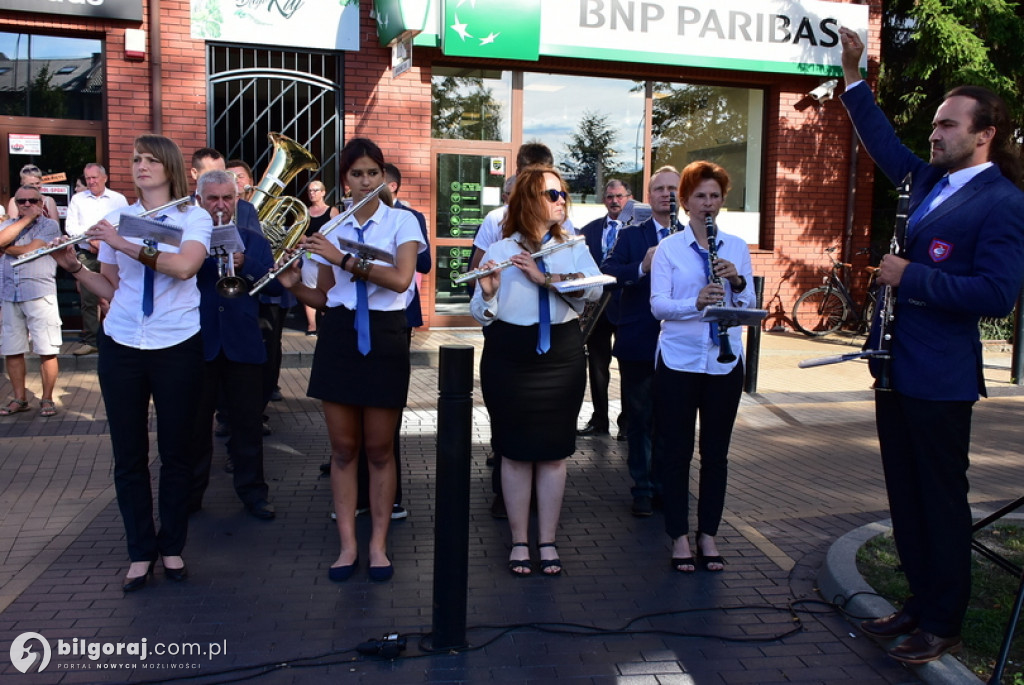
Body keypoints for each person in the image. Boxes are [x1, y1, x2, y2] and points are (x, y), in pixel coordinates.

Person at [838, 28, 1024, 664]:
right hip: (895, 368)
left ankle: (944, 621)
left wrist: (909, 275)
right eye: (936, 124)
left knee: (940, 502)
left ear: (984, 134)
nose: (935, 134)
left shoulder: (1003, 202)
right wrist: (853, 73)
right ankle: (918, 604)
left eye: (948, 126)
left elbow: (996, 294)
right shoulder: (925, 180)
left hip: (941, 376)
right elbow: (881, 140)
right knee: (905, 495)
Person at [50, 134, 213, 592]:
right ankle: (140, 552)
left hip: (176, 343)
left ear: (169, 166)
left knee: (176, 452)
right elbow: (111, 289)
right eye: (136, 158)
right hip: (122, 341)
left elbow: (184, 267)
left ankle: (173, 546)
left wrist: (121, 244)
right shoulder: (117, 217)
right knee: (128, 455)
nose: (140, 165)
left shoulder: (193, 215)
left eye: (150, 159)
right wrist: (74, 267)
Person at [277, 137, 424, 582]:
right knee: (343, 450)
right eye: (356, 174)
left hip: (384, 335)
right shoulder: (335, 224)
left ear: (384, 178)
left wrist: (341, 257)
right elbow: (322, 296)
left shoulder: (403, 223)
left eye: (372, 173)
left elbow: (400, 280)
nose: (365, 181)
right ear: (345, 180)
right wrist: (289, 282)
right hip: (339, 333)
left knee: (380, 449)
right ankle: (348, 546)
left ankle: (378, 546)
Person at [471, 164, 601, 577]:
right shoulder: (500, 251)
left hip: (560, 353)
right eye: (553, 194)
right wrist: (488, 293)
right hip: (509, 354)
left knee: (553, 454)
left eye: (563, 193)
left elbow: (595, 287)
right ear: (530, 199)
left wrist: (546, 278)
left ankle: (546, 540)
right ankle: (519, 542)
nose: (562, 200)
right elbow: (482, 314)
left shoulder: (573, 245)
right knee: (513, 453)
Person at [650, 161, 755, 574]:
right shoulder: (669, 250)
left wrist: (739, 284)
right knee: (675, 452)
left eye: (714, 197)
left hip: (724, 363)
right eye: (700, 197)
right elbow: (657, 305)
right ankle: (677, 536)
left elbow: (747, 310)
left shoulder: (737, 247)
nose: (707, 204)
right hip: (678, 360)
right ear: (686, 202)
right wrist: (694, 302)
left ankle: (707, 534)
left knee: (716, 455)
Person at [188, 169, 278, 520]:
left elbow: (275, 289)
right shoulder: (189, 239)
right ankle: (192, 495)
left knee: (247, 426)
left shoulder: (252, 239)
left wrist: (247, 265)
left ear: (237, 201)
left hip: (243, 343)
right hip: (200, 341)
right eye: (213, 199)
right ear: (200, 201)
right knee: (195, 428)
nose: (221, 206)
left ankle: (253, 494)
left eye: (228, 198)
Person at [603, 168, 682, 517]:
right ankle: (642, 489)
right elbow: (608, 273)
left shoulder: (692, 235)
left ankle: (666, 484)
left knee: (671, 418)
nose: (668, 195)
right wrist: (641, 266)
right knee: (640, 417)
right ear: (649, 198)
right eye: (660, 189)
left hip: (680, 343)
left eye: (674, 189)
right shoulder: (632, 235)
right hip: (639, 339)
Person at [0, 185, 62, 418]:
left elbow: (30, 250)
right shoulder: (7, 224)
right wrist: (25, 221)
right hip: (9, 293)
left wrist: (6, 248)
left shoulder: (50, 225)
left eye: (32, 200)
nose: (26, 204)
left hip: (39, 293)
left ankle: (47, 399)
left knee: (46, 349)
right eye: (21, 201)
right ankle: (19, 398)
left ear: (41, 203)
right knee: (12, 349)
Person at [578, 179, 631, 438]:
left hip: (627, 306)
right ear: (604, 199)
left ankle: (627, 422)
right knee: (597, 366)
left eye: (619, 196)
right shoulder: (588, 230)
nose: (614, 201)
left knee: (628, 366)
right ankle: (600, 421)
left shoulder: (637, 230)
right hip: (597, 307)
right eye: (610, 196)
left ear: (628, 198)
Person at [64, 163, 129, 356]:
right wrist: (92, 240)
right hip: (88, 254)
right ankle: (92, 341)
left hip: (114, 255)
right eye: (88, 178)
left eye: (94, 177)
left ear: (104, 178)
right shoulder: (78, 199)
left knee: (118, 295)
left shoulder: (118, 200)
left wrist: (108, 242)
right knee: (89, 299)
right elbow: (71, 227)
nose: (91, 181)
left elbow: (126, 224)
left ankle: (119, 336)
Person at [302, 180, 339, 336]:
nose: (312, 193)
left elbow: (337, 231)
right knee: (308, 287)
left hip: (326, 253)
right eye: (310, 190)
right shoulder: (304, 211)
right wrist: (309, 242)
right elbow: (299, 232)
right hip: (309, 253)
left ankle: (325, 324)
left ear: (323, 192)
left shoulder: (332, 211)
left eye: (316, 190)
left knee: (327, 288)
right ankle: (312, 326)